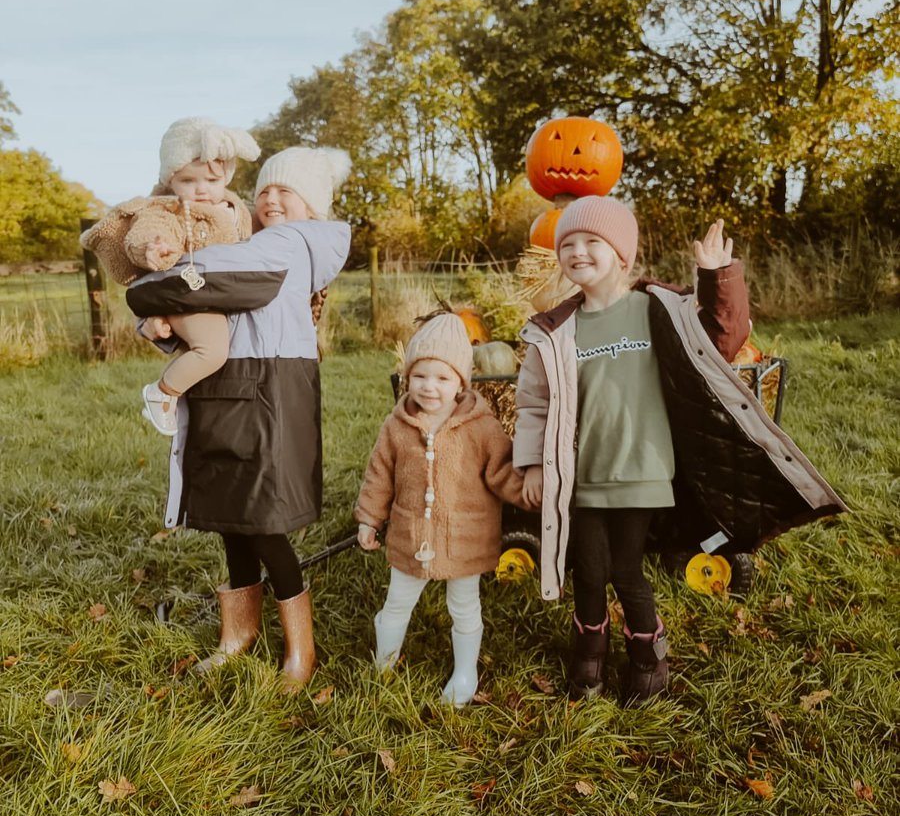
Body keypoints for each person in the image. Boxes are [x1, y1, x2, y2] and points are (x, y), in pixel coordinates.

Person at [514, 195, 846, 705]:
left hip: (643, 470)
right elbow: (535, 401)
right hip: (584, 473)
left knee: (625, 570)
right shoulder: (557, 329)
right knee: (589, 570)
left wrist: (717, 277)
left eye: (591, 241)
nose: (577, 251)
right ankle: (588, 657)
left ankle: (648, 658)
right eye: (568, 244)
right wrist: (534, 461)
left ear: (622, 255)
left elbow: (723, 337)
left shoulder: (655, 309)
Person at [126, 146, 352, 691]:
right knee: (234, 519)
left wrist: (141, 291)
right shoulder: (254, 243)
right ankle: (239, 634)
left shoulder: (289, 243)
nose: (272, 198)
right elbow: (215, 322)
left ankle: (301, 650)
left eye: (287, 191)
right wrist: (160, 326)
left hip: (266, 396)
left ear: (313, 207)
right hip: (232, 390)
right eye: (266, 189)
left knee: (266, 525)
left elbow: (203, 277)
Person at [355, 313, 525, 706]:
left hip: (464, 539)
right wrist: (369, 518)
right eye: (420, 377)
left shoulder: (481, 426)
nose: (430, 387)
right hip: (411, 536)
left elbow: (502, 471)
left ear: (461, 382)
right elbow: (379, 473)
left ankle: (465, 672)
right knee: (397, 601)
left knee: (464, 606)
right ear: (407, 377)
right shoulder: (398, 425)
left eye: (443, 378)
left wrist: (530, 492)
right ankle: (384, 662)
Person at [80, 117, 261, 436]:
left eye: (212, 179)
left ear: (226, 179)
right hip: (189, 298)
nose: (201, 188)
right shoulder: (167, 209)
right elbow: (149, 231)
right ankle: (163, 392)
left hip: (219, 296)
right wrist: (152, 248)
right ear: (170, 182)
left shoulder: (237, 211)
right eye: (189, 180)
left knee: (218, 354)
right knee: (212, 351)